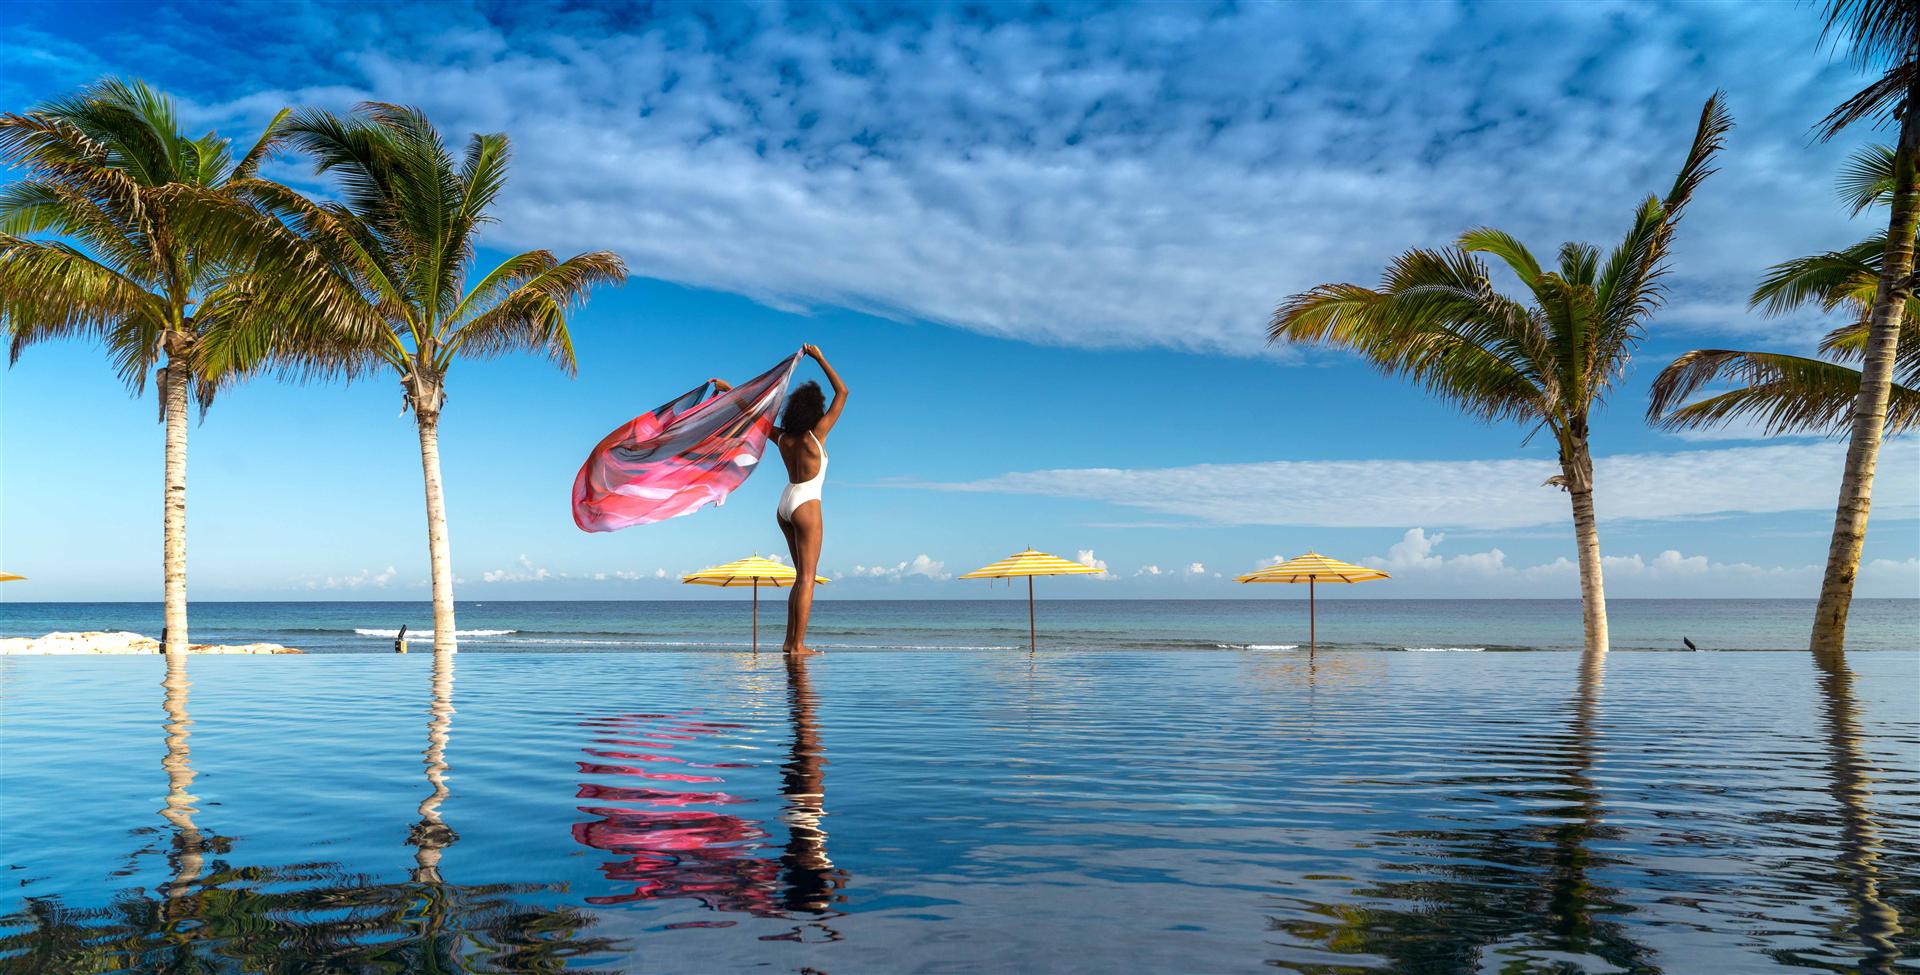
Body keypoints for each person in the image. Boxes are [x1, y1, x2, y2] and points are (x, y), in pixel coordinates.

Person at [772, 345, 846, 655]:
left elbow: (751, 416)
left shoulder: (783, 438)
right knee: (807, 578)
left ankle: (790, 642)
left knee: (800, 578)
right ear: (814, 410)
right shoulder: (817, 434)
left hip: (785, 502)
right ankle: (798, 645)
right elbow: (842, 392)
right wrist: (820, 358)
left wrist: (730, 390)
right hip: (806, 502)